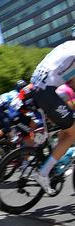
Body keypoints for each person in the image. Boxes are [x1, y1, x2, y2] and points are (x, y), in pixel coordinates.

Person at [29, 41, 75, 195]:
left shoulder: (68, 45)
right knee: (72, 133)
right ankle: (43, 173)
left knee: (67, 126)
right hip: (46, 92)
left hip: (34, 87)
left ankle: (56, 157)